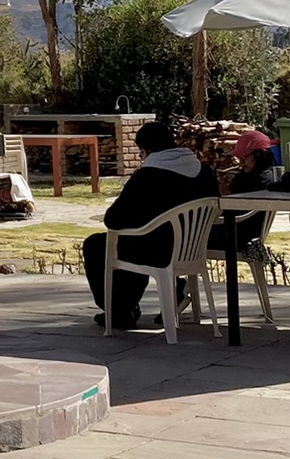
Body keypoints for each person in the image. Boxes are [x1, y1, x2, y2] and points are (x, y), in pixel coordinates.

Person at [83, 119, 219, 328]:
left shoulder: (147, 176)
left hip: (156, 250)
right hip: (193, 247)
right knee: (134, 241)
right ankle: (161, 293)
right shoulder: (205, 172)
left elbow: (113, 220)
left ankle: (119, 309)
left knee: (97, 245)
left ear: (145, 150)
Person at [210, 129, 283, 257]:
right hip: (253, 236)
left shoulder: (247, 180)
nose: (241, 164)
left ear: (259, 156)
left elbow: (229, 209)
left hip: (236, 237)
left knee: (190, 236)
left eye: (244, 159)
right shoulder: (271, 178)